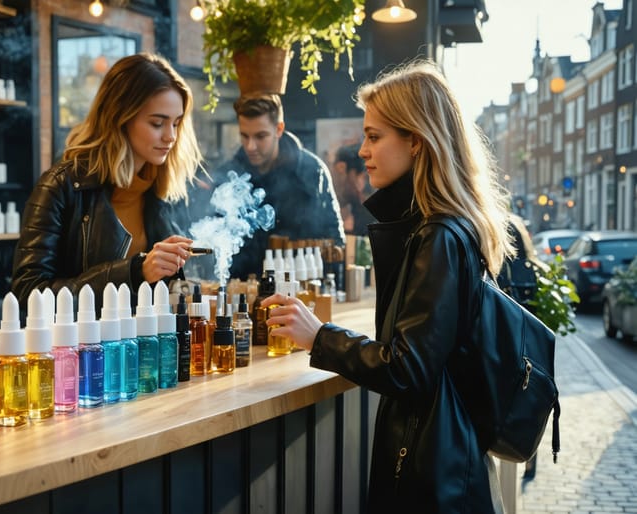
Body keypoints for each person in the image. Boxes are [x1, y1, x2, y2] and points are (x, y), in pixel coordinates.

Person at [262, 61, 514, 512]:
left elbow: (407, 368)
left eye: (374, 136)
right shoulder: (438, 229)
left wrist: (319, 336)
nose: (361, 150)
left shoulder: (437, 236)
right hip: (444, 466)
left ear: (416, 140)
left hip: (431, 477)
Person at [11, 53, 203, 308]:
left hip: (147, 343)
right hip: (80, 346)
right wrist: (134, 272)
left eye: (177, 124)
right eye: (157, 123)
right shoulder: (62, 186)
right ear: (120, 118)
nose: (171, 136)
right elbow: (28, 294)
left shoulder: (167, 192)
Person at [199, 92, 344, 280]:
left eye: (260, 136)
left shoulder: (312, 171)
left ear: (279, 129)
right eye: (245, 136)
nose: (251, 146)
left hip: (301, 290)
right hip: (243, 291)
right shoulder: (228, 178)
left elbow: (334, 240)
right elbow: (213, 242)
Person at [332, 143, 376, 236]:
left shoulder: (364, 214)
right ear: (341, 168)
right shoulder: (319, 205)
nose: (361, 186)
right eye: (362, 177)